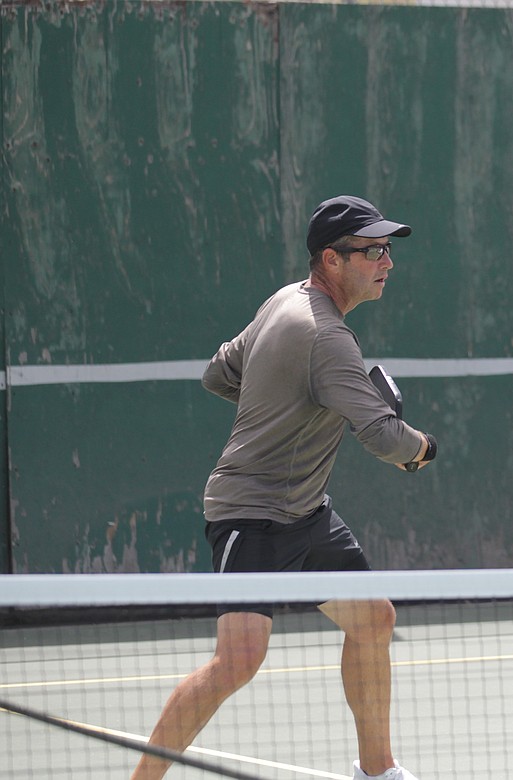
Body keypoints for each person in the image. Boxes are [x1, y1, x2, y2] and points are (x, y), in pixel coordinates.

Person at [131, 195, 437, 780]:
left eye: (387, 249)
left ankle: (378, 770)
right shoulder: (328, 337)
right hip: (251, 514)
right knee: (236, 662)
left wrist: (281, 402)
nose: (386, 262)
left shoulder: (283, 302)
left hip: (305, 512)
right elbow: (382, 435)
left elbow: (220, 373)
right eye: (372, 251)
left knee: (373, 620)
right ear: (331, 259)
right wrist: (422, 450)